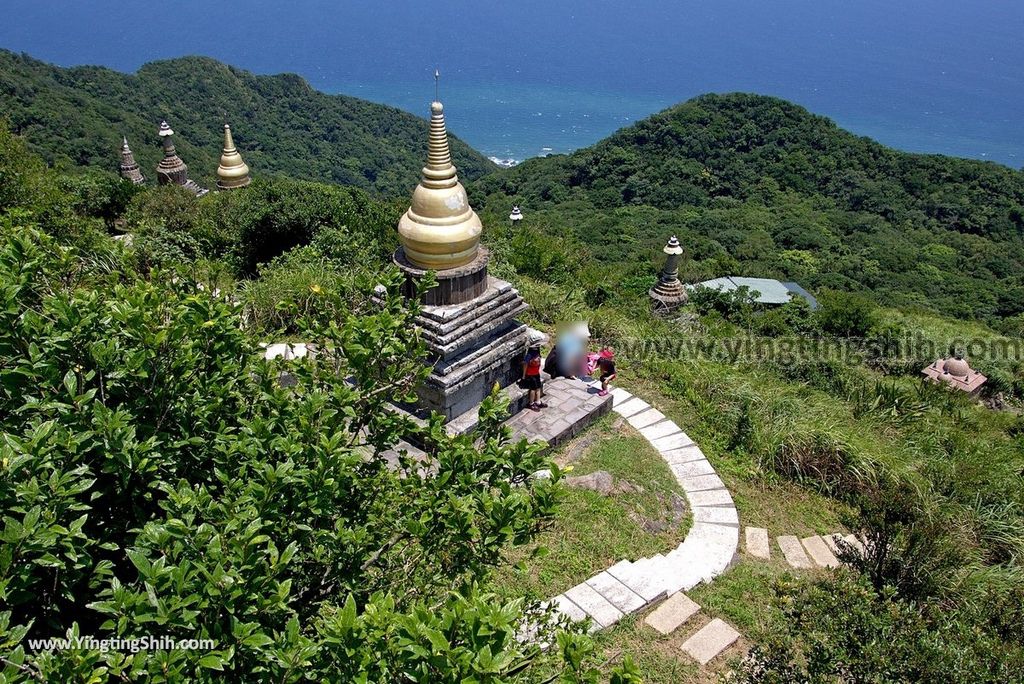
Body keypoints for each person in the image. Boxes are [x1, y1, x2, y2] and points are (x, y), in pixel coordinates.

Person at [523, 333, 547, 411]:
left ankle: (538, 401)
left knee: (538, 387)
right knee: (533, 389)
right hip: (530, 374)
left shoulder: (537, 351)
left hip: (536, 373)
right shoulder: (530, 354)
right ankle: (531, 403)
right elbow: (525, 364)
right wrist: (524, 375)